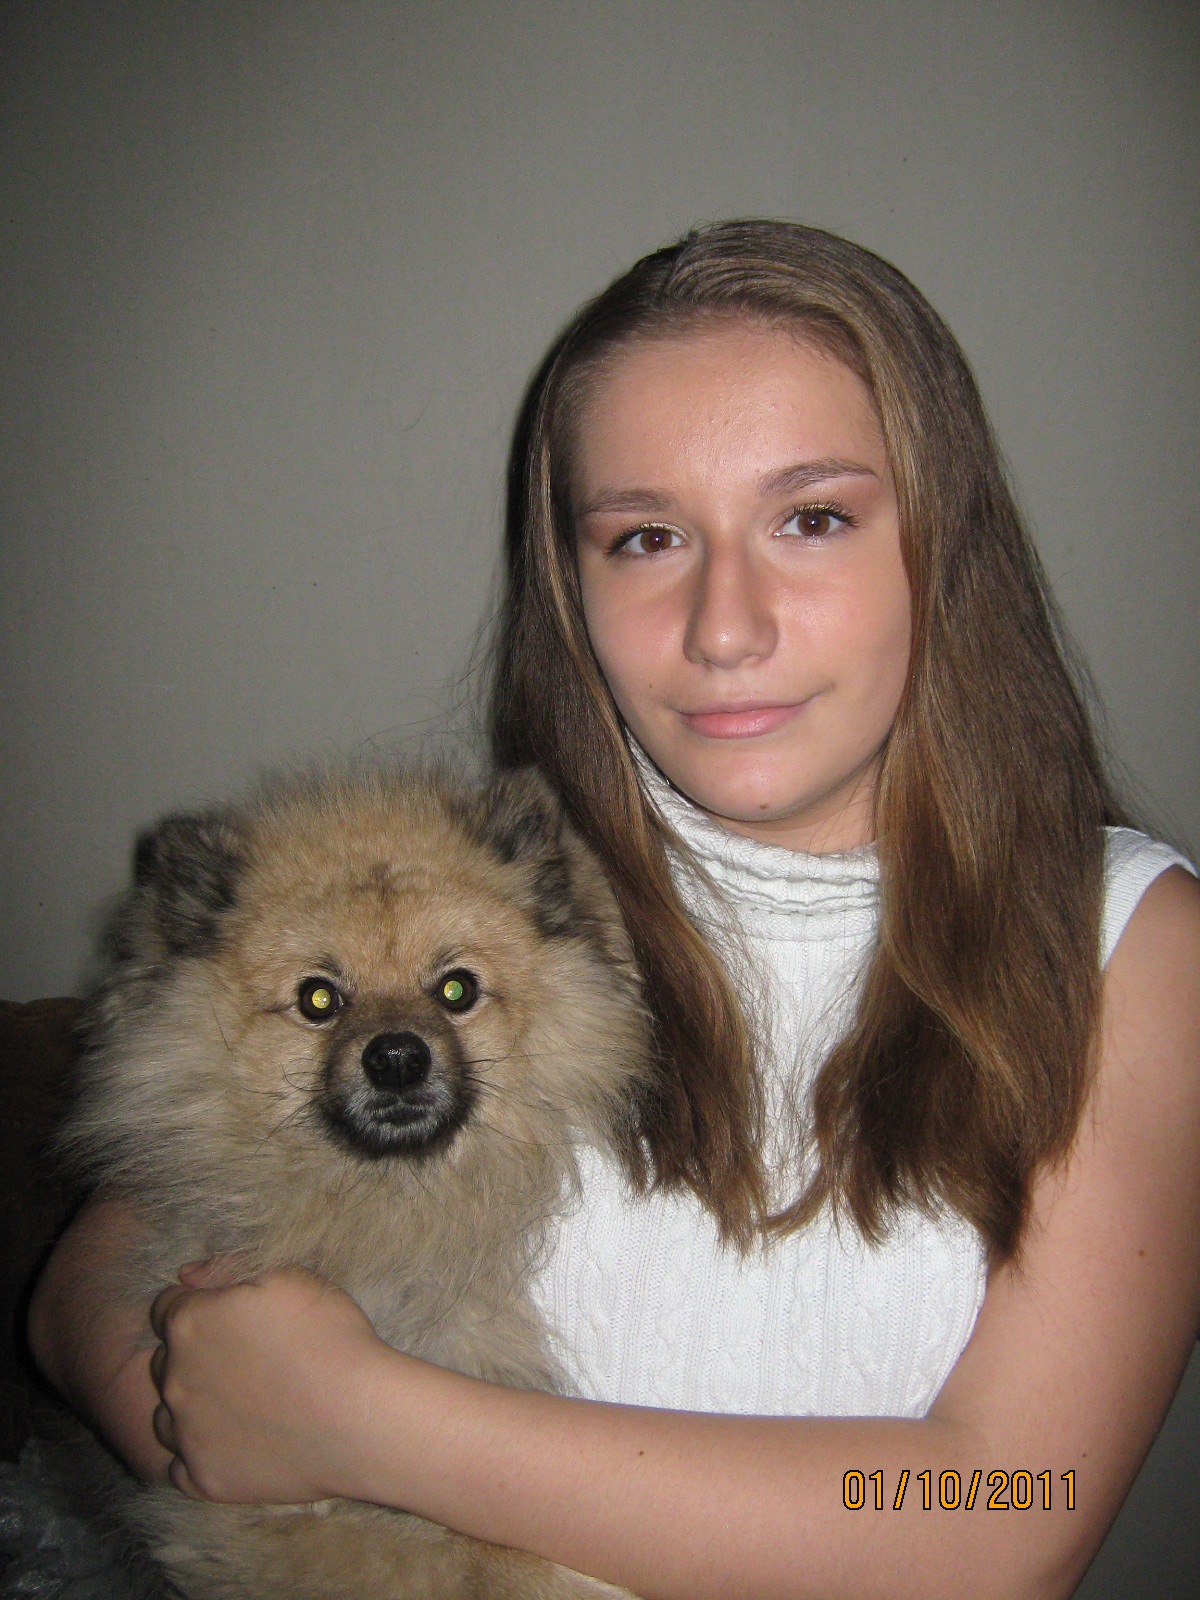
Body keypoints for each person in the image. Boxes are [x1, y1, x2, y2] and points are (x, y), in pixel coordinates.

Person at [29, 221, 1200, 1600]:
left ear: (946, 546)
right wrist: (228, 1448)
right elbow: (95, 1279)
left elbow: (1004, 1511)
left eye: (812, 518)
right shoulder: (501, 887)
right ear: (570, 588)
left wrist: (367, 1428)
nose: (724, 624)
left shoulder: (1129, 947)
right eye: (646, 537)